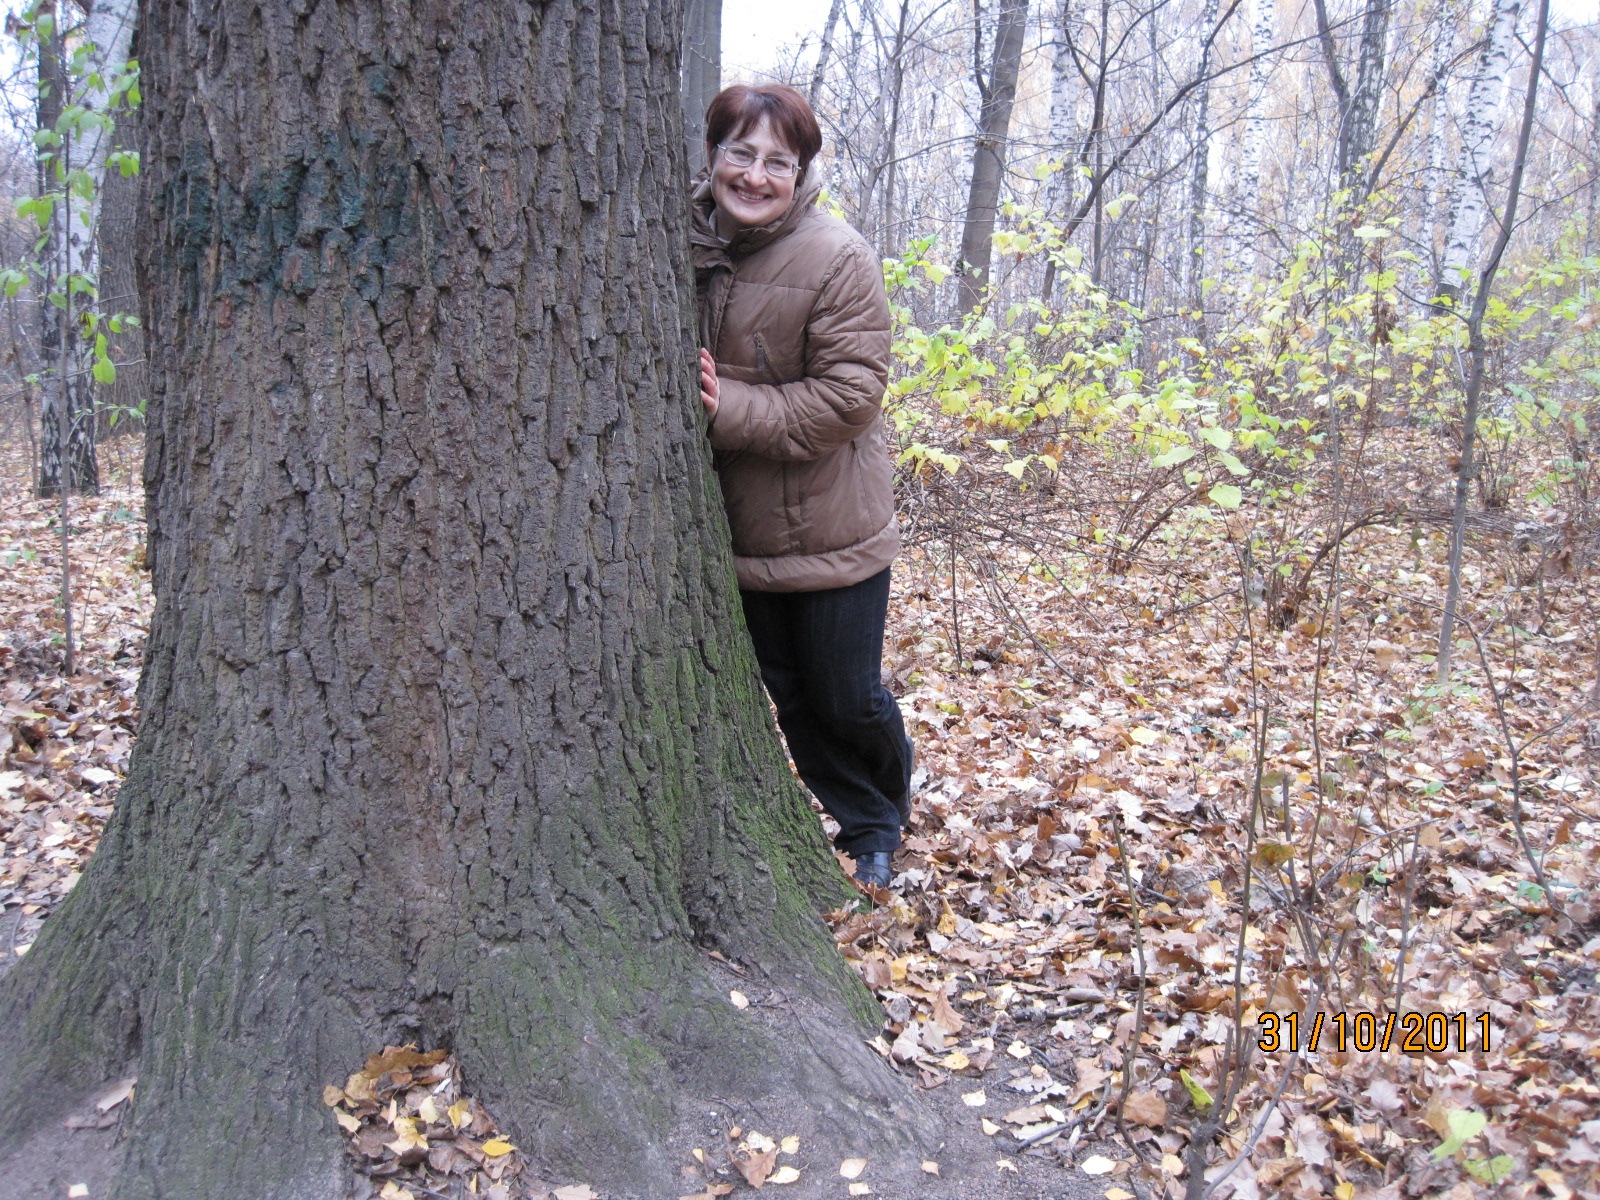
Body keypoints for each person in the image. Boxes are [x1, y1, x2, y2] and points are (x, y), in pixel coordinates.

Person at [691, 83, 913, 890]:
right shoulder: (675, 241)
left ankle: (886, 808)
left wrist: (729, 407)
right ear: (712, 155)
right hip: (739, 530)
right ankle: (864, 821)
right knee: (790, 697)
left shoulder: (837, 257)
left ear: (802, 172)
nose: (754, 176)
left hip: (833, 527)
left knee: (847, 697)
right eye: (740, 154)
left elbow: (852, 396)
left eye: (777, 162)